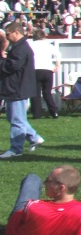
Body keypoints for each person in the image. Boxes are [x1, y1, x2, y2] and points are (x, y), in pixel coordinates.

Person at [4, 166, 81, 235]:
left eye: (49, 181)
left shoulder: (34, 207)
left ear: (61, 188)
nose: (45, 183)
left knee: (32, 179)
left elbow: (20, 218)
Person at [0, 22, 41, 159]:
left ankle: (16, 149)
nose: (7, 37)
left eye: (8, 34)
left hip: (17, 88)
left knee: (17, 120)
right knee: (13, 117)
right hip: (16, 87)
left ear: (16, 32)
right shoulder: (19, 47)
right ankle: (34, 137)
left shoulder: (21, 48)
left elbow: (11, 66)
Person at [28, 28, 59, 119]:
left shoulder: (30, 45)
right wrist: (57, 65)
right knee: (47, 93)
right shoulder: (49, 45)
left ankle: (36, 114)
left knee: (35, 93)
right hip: (48, 70)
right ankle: (54, 112)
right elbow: (58, 54)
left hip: (35, 70)